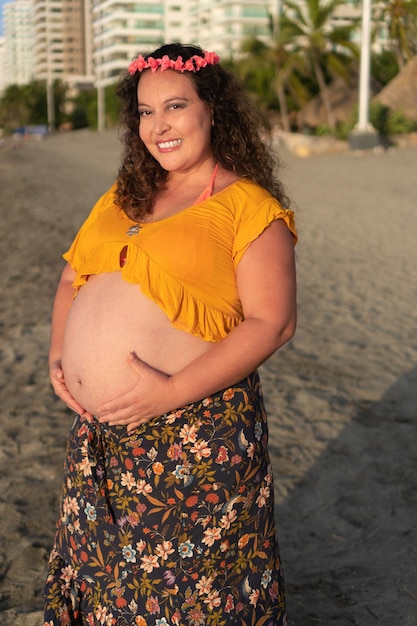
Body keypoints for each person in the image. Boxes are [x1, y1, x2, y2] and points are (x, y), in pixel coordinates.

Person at [43, 43, 297, 626]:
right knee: (107, 583)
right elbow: (69, 277)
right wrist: (61, 356)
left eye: (176, 106)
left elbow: (273, 322)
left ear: (213, 111)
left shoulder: (248, 208)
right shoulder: (121, 197)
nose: (159, 125)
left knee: (193, 596)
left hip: (192, 432)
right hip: (102, 437)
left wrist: (169, 392)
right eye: (145, 111)